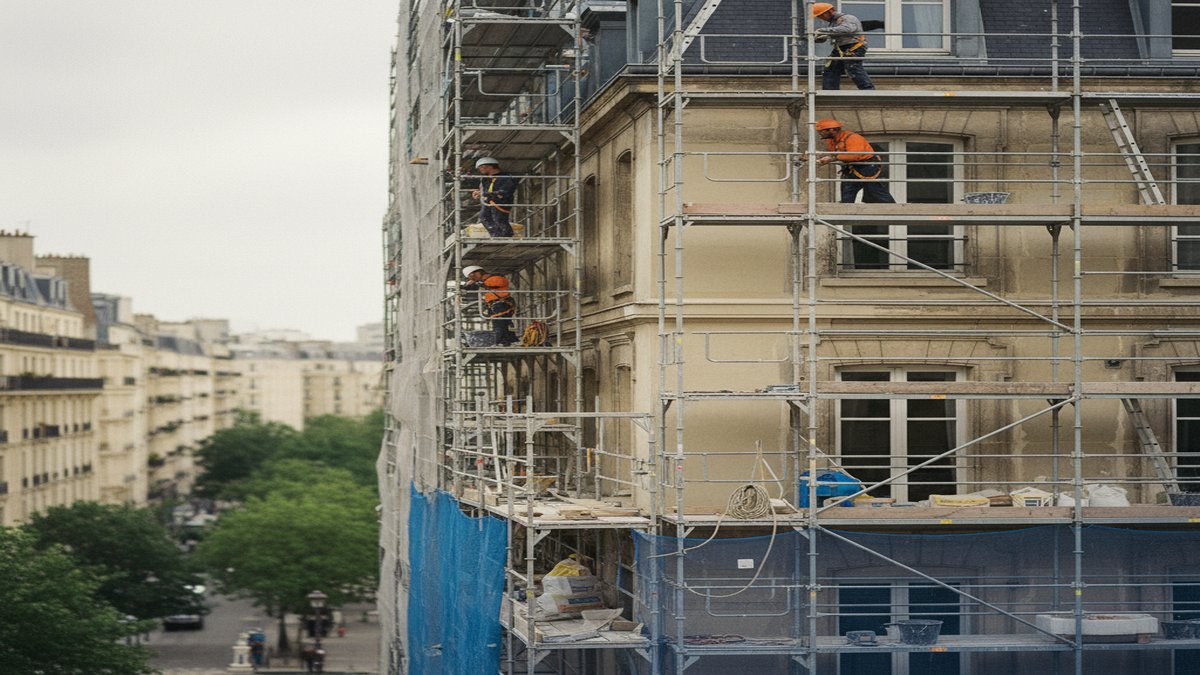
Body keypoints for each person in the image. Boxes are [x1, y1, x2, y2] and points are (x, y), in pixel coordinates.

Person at [807, 118, 896, 204]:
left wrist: (832, 158)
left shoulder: (853, 138)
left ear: (831, 130)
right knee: (847, 191)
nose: (820, 133)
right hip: (852, 167)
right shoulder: (832, 140)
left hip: (867, 166)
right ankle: (846, 209)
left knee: (875, 191)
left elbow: (855, 155)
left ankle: (893, 209)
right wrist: (822, 157)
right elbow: (835, 153)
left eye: (821, 131)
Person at [812, 3, 876, 90]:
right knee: (831, 68)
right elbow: (835, 32)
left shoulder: (848, 18)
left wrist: (823, 31)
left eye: (822, 15)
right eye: (819, 16)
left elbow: (847, 29)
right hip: (841, 48)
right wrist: (821, 37)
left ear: (830, 11)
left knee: (853, 68)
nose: (821, 18)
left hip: (854, 47)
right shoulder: (833, 23)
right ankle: (830, 92)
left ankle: (868, 90)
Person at [462, 265, 518, 346]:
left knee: (499, 325)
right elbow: (482, 286)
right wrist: (465, 286)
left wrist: (478, 283)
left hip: (502, 304)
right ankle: (509, 341)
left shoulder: (497, 278)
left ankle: (500, 342)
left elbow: (495, 284)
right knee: (501, 325)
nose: (473, 279)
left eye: (472, 276)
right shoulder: (484, 282)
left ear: (478, 272)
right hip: (495, 305)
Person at [470, 157, 516, 237]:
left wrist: (484, 193)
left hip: (501, 201)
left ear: (489, 166)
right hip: (489, 201)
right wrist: (479, 193)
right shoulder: (486, 179)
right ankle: (496, 235)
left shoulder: (505, 177)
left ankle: (506, 235)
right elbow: (487, 190)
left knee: (499, 219)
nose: (480, 170)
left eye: (481, 167)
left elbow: (503, 192)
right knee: (484, 217)